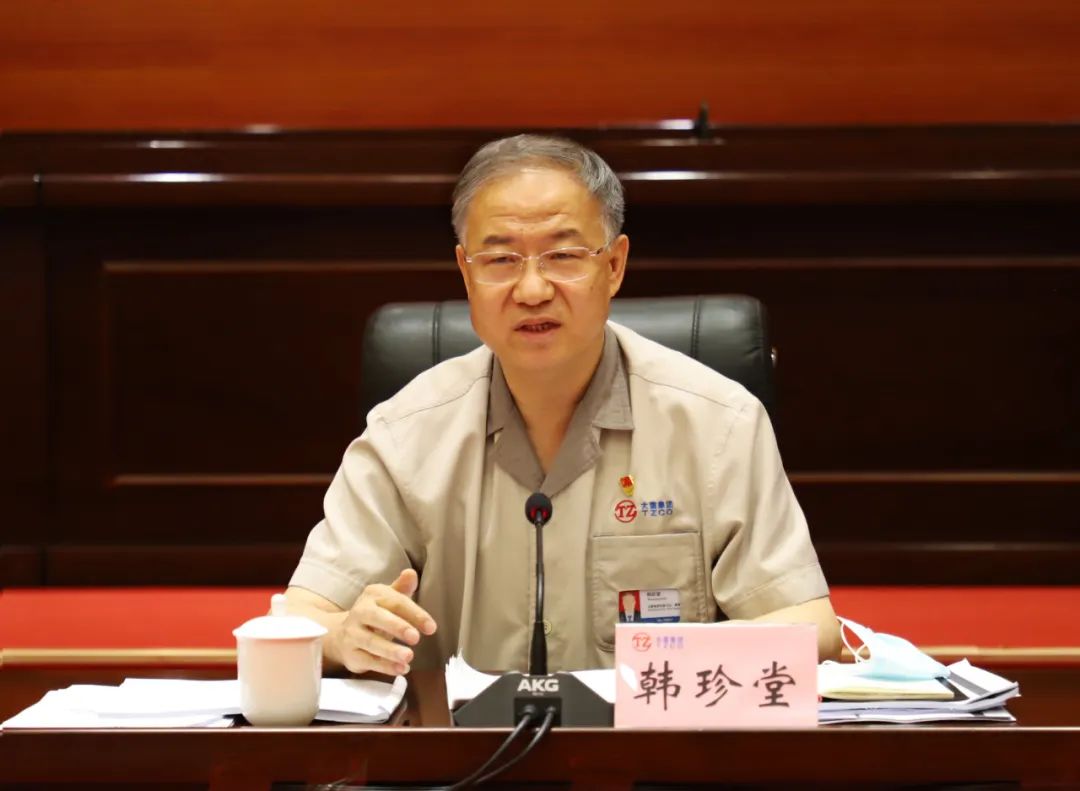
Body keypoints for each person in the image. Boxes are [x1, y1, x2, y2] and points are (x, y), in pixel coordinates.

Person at [285, 134, 843, 676]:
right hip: (462, 743)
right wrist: (342, 636)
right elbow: (296, 623)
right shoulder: (404, 434)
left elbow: (812, 627)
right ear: (466, 272)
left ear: (614, 265)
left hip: (651, 739)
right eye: (500, 259)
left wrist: (667, 661)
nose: (532, 290)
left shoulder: (718, 423)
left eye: (563, 255)